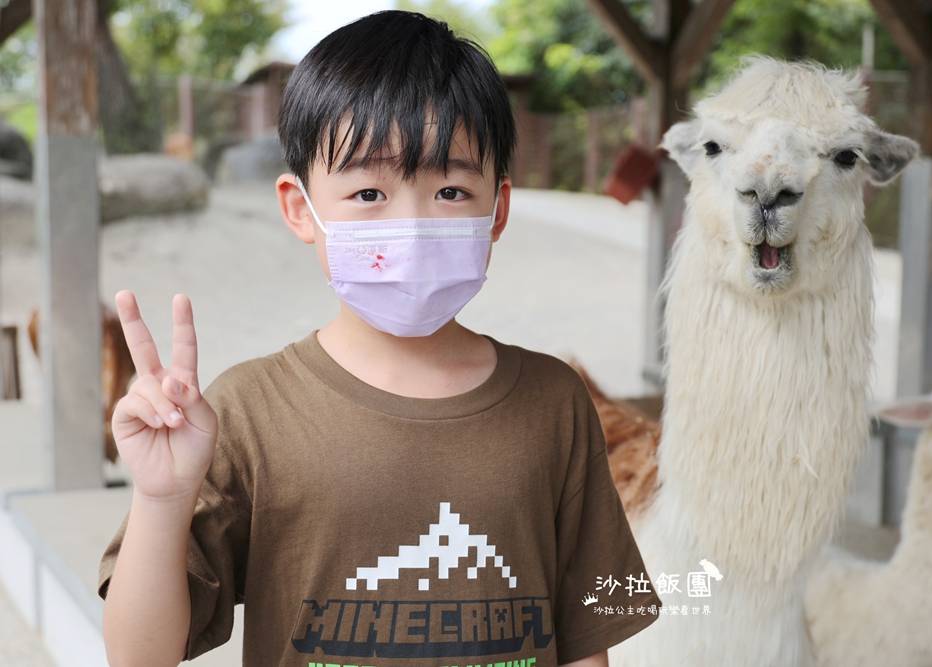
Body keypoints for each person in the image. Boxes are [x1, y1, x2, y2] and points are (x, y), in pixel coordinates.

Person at [97, 10, 661, 666]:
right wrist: (162, 498)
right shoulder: (249, 409)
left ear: (497, 209)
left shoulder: (554, 402)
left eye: (450, 189)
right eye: (369, 192)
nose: (412, 225)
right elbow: (139, 655)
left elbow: (584, 643)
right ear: (299, 209)